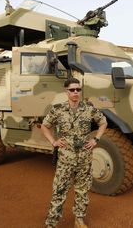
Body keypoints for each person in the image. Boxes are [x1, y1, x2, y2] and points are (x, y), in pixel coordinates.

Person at [41, 77, 107, 228]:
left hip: (84, 157)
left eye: (78, 89)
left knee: (82, 190)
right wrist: (53, 142)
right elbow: (45, 126)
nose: (76, 92)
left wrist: (96, 139)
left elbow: (103, 122)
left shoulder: (89, 109)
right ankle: (51, 223)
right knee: (59, 190)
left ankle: (79, 219)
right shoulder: (58, 109)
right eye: (72, 90)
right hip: (65, 159)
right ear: (66, 92)